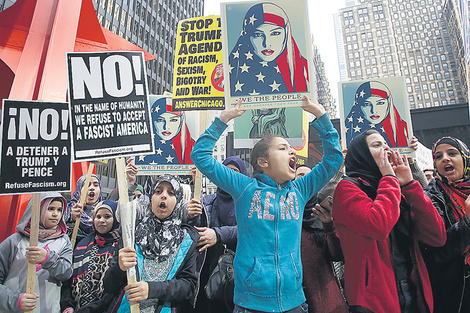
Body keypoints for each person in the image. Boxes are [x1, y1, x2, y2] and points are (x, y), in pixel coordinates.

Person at [191, 97, 343, 313]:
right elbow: (200, 156)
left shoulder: (301, 189)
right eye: (283, 148)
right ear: (263, 162)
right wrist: (224, 119)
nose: (292, 152)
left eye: (292, 149)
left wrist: (320, 115)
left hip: (295, 303)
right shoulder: (244, 188)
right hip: (250, 304)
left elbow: (333, 159)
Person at [332, 130, 446, 313]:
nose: (386, 149)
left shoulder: (395, 187)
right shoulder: (347, 188)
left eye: (386, 144)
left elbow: (437, 236)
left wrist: (410, 184)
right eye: (377, 145)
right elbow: (378, 225)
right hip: (374, 300)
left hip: (412, 288)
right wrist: (389, 179)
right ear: (361, 154)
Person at [103, 174, 199, 312]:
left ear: (178, 201)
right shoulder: (131, 236)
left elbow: (188, 287)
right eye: (158, 191)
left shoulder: (186, 241)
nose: (163, 196)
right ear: (150, 199)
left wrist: (152, 289)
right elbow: (108, 285)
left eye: (171, 193)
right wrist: (119, 268)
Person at [187, 156, 249, 313]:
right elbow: (196, 227)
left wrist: (218, 234)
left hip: (240, 269)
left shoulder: (249, 201)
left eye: (234, 171)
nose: (228, 174)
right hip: (210, 269)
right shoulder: (208, 201)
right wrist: (193, 211)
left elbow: (249, 229)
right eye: (225, 170)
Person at [0, 192, 73, 312]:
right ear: (37, 209)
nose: (56, 214)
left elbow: (66, 274)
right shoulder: (15, 241)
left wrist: (48, 258)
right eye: (50, 208)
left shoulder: (64, 242)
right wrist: (15, 300)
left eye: (60, 210)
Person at [423, 136, 470, 313]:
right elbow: (434, 251)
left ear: (465, 158)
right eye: (438, 156)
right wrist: (467, 222)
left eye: (452, 153)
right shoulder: (432, 196)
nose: (445, 159)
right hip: (458, 289)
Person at [295, 165, 348, 313]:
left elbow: (336, 255)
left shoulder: (321, 213)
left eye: (309, 175)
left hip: (324, 298)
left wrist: (329, 225)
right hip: (293, 299)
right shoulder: (284, 213)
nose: (306, 178)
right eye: (300, 175)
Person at [228, 2, 309, 96]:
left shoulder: (304, 70)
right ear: (247, 36)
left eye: (275, 34)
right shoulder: (234, 69)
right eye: (258, 35)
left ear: (286, 34)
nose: (266, 43)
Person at [61, 200, 120, 313]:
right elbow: (68, 281)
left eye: (107, 216)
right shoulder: (81, 245)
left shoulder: (120, 245)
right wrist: (67, 306)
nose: (101, 220)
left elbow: (115, 289)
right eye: (98, 216)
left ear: (116, 218)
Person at [345, 81, 409, 148]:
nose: (374, 111)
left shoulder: (404, 129)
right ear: (358, 106)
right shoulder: (349, 130)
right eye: (366, 104)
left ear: (388, 104)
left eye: (380, 103)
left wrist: (413, 149)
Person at [138, 96, 195, 166]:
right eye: (160, 120)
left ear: (181, 121)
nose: (166, 127)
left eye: (173, 120)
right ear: (152, 120)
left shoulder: (194, 148)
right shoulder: (141, 148)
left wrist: (198, 172)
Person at [64, 174, 103, 243]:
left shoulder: (105, 210)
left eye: (96, 185)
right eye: (87, 185)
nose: (92, 188)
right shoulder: (68, 210)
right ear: (79, 190)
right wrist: (71, 220)